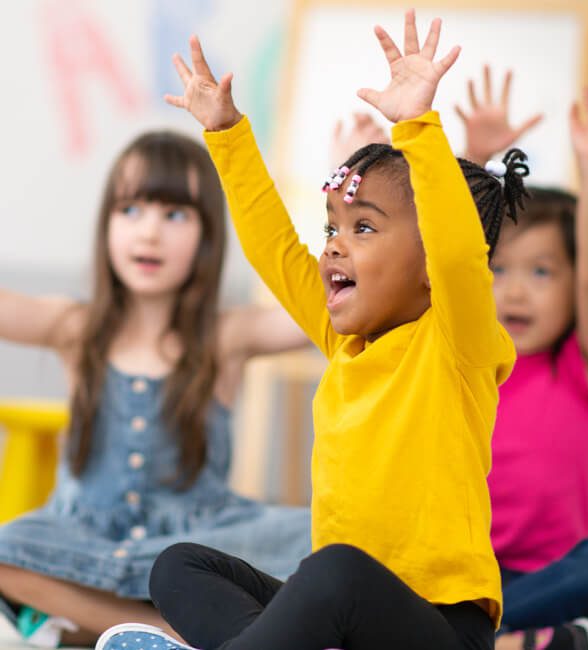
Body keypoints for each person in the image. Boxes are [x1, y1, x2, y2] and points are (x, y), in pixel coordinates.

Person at [97, 11, 532, 650]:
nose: (332, 248)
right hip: (345, 623)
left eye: (362, 228)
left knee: (336, 573)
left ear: (429, 265)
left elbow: (461, 254)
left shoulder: (458, 344)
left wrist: (416, 125)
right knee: (179, 567)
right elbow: (275, 248)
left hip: (442, 629)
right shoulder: (343, 342)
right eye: (333, 227)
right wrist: (226, 134)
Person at [0, 130, 312, 647]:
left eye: (174, 215)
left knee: (330, 546)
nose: (149, 234)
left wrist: (357, 213)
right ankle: (165, 633)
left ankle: (91, 624)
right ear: (106, 225)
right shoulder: (76, 327)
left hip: (197, 541)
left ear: (208, 234)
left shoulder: (225, 335)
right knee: (8, 552)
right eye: (131, 210)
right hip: (82, 539)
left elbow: (321, 309)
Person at [456, 69, 588, 649]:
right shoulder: (468, 361)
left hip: (551, 582)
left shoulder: (587, 372)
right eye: (499, 270)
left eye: (541, 272)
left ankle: (475, 638)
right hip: (463, 578)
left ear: (571, 283)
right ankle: (528, 641)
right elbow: (445, 255)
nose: (513, 292)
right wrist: (476, 161)